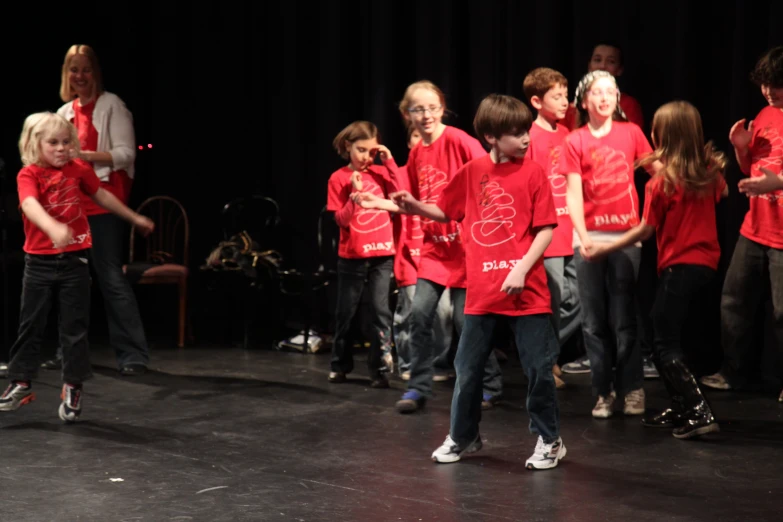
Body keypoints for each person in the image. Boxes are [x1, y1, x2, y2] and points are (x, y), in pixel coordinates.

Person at [391, 94, 564, 469]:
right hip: (482, 290)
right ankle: (464, 436)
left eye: (526, 132)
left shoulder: (533, 173)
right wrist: (414, 206)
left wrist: (521, 268)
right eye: (515, 134)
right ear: (490, 136)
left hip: (527, 292)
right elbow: (446, 210)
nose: (525, 140)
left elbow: (546, 230)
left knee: (537, 369)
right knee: (467, 369)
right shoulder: (472, 172)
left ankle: (550, 439)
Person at [584, 101, 725, 439]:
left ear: (660, 135)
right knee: (666, 333)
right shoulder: (709, 171)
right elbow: (723, 192)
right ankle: (680, 406)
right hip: (705, 265)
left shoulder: (662, 182)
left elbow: (645, 230)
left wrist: (606, 247)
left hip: (679, 266)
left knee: (663, 341)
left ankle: (699, 411)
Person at [0, 112, 153, 421]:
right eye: (52, 143)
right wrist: (53, 227)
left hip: (75, 262)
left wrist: (133, 217)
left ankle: (73, 385)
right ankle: (21, 383)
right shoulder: (28, 175)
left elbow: (102, 196)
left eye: (66, 142)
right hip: (39, 264)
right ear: (34, 144)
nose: (60, 148)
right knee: (30, 325)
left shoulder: (79, 169)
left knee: (74, 328)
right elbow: (29, 206)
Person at [391, 81, 503, 413]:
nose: (425, 115)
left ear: (442, 107)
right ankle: (418, 387)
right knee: (420, 314)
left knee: (466, 322)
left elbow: (491, 173)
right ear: (406, 113)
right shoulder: (416, 153)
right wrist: (375, 202)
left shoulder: (458, 140)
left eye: (432, 107)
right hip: (435, 251)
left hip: (466, 249)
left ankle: (489, 385)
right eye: (418, 109)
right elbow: (409, 203)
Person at [558, 70, 661, 418]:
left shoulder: (631, 133)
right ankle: (603, 392)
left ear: (618, 98)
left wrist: (691, 173)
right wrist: (584, 237)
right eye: (598, 93)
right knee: (593, 321)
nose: (605, 98)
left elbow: (657, 172)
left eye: (611, 92)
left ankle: (632, 388)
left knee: (624, 317)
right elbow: (572, 193)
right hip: (588, 239)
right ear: (585, 101)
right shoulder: (574, 141)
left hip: (626, 238)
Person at [44, 44, 149, 376]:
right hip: (72, 206)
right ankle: (68, 353)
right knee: (71, 282)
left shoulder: (111, 106)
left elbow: (126, 154)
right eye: (73, 70)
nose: (79, 76)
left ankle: (133, 355)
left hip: (103, 202)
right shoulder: (63, 113)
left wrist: (83, 156)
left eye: (85, 69)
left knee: (110, 279)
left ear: (95, 72)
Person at [701, 46, 783, 400]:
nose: (768, 92)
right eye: (765, 85)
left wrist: (776, 184)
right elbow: (753, 167)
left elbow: (771, 176)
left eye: (776, 85)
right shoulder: (765, 113)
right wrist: (740, 148)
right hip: (755, 227)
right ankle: (733, 372)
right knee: (734, 300)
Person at [326, 121, 398, 388]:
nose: (366, 157)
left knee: (381, 311)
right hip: (352, 256)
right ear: (348, 147)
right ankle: (339, 365)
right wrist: (354, 193)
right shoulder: (338, 178)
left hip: (382, 255)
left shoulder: (380, 173)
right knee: (346, 312)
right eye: (360, 150)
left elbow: (402, 195)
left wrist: (389, 163)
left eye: (371, 151)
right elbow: (343, 221)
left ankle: (379, 369)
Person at [524, 67, 580, 389]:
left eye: (565, 94)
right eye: (556, 97)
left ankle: (547, 354)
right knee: (553, 297)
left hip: (572, 227)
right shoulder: (530, 137)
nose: (564, 102)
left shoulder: (567, 133)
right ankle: (546, 363)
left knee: (578, 301)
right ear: (536, 101)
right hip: (548, 234)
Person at [390, 126, 456, 382]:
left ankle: (439, 363)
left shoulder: (440, 178)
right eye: (416, 138)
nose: (423, 142)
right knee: (410, 315)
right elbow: (396, 203)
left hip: (437, 257)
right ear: (410, 145)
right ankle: (409, 364)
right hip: (410, 260)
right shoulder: (406, 177)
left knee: (444, 315)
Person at [561, 42, 644, 131]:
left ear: (620, 69)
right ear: (589, 66)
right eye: (597, 60)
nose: (602, 66)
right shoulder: (572, 108)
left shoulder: (629, 105)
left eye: (611, 62)